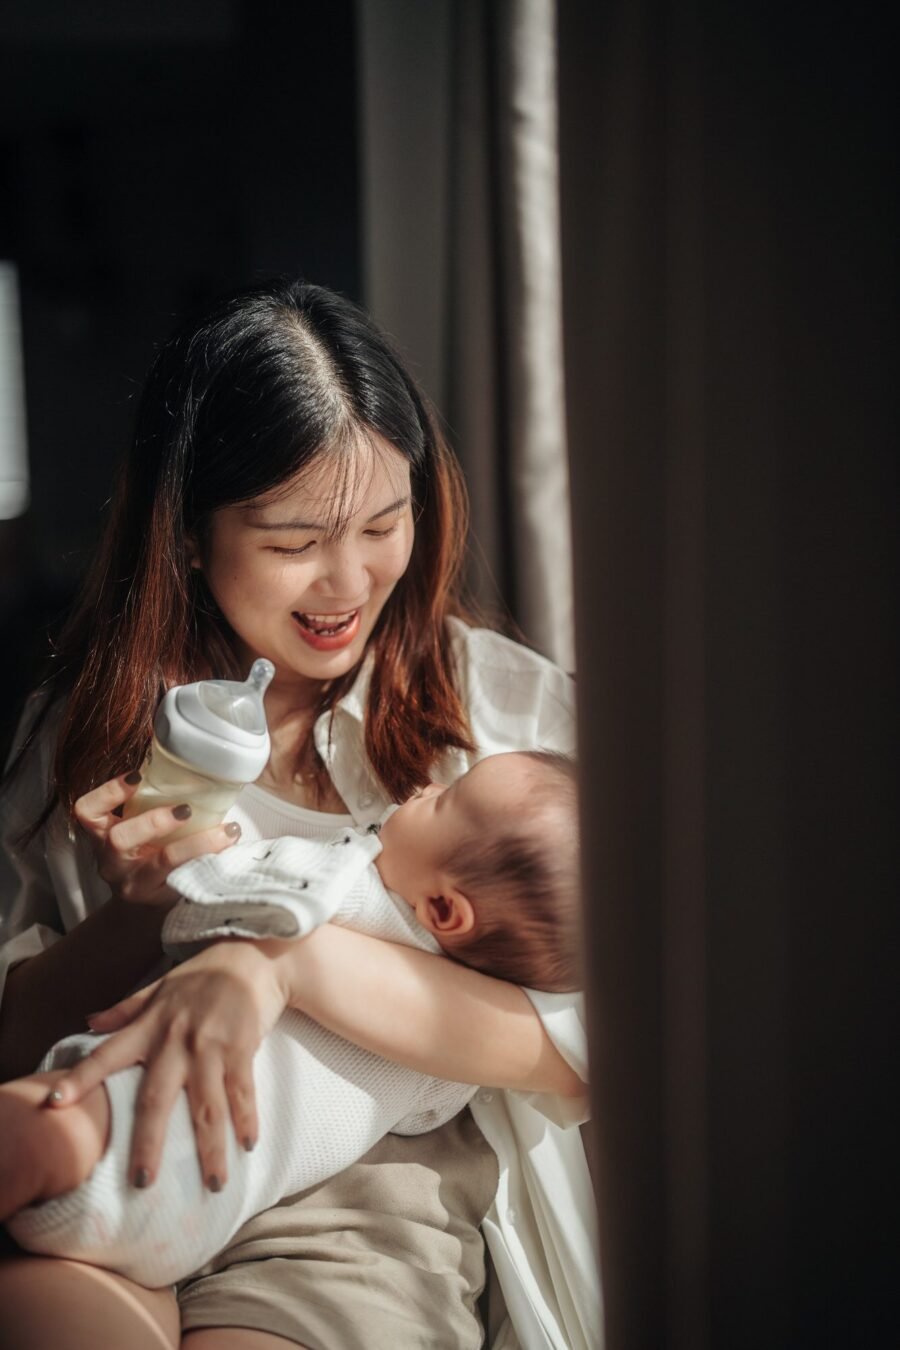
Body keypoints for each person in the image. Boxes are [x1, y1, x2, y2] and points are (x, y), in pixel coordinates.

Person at [0, 279, 599, 1350]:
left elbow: (579, 1048)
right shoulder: (83, 732)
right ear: (187, 534)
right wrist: (131, 921)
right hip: (131, 1130)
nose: (348, 582)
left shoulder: (499, 707)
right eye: (290, 543)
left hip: (359, 1198)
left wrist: (271, 962)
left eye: (385, 523)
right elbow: (14, 1030)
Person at [2, 750, 580, 1289]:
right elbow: (422, 1115)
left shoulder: (341, 884)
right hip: (199, 1212)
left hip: (133, 1117)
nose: (428, 784)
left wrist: (174, 876)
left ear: (444, 909)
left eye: (444, 799)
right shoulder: (450, 1070)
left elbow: (199, 913)